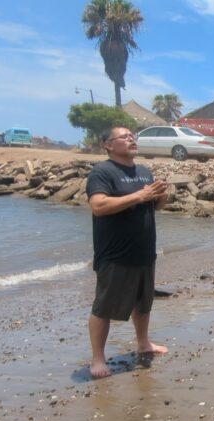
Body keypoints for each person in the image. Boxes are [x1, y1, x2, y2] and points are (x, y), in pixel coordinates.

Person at [85, 127, 169, 379]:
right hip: (114, 254)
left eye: (133, 136)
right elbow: (99, 206)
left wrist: (161, 196)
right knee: (104, 307)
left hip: (144, 251)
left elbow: (154, 206)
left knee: (143, 303)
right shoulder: (102, 172)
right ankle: (98, 359)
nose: (131, 139)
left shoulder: (143, 171)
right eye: (124, 137)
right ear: (108, 145)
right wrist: (140, 195)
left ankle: (144, 343)